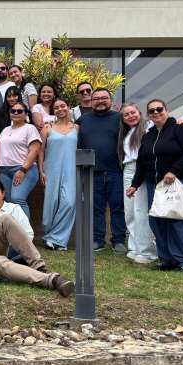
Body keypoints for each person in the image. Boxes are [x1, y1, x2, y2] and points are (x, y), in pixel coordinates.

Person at [127, 99, 183, 271]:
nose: (156, 112)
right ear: (148, 115)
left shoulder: (180, 130)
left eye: (159, 109)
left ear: (167, 110)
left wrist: (174, 171)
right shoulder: (148, 135)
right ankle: (166, 260)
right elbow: (142, 163)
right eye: (151, 111)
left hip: (175, 182)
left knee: (175, 219)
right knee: (157, 220)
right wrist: (135, 184)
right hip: (155, 184)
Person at [77, 88, 127, 253]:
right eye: (96, 98)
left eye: (104, 98)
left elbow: (140, 126)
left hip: (116, 171)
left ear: (110, 100)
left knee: (117, 207)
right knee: (96, 208)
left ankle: (118, 240)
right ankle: (98, 239)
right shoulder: (82, 120)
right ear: (91, 101)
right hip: (92, 171)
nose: (100, 101)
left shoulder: (120, 118)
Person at [118, 102, 158, 263]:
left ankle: (148, 251)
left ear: (139, 113)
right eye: (126, 114)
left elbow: (174, 124)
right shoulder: (127, 133)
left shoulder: (149, 125)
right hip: (128, 170)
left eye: (133, 112)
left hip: (141, 169)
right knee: (130, 211)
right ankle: (135, 247)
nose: (130, 116)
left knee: (141, 211)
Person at [38, 97, 78, 250]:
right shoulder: (47, 128)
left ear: (68, 107)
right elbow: (41, 151)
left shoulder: (76, 128)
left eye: (63, 106)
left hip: (71, 170)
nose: (60, 109)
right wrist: (41, 170)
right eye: (56, 107)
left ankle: (56, 238)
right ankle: (51, 236)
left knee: (69, 202)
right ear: (53, 111)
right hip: (51, 169)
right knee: (51, 204)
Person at [0, 102, 41, 217]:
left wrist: (23, 169)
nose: (16, 113)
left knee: (17, 199)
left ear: (26, 114)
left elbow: (34, 150)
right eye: (13, 111)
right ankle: (14, 233)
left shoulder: (30, 128)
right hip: (4, 171)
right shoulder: (5, 130)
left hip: (23, 169)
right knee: (9, 203)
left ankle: (26, 233)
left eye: (20, 111)